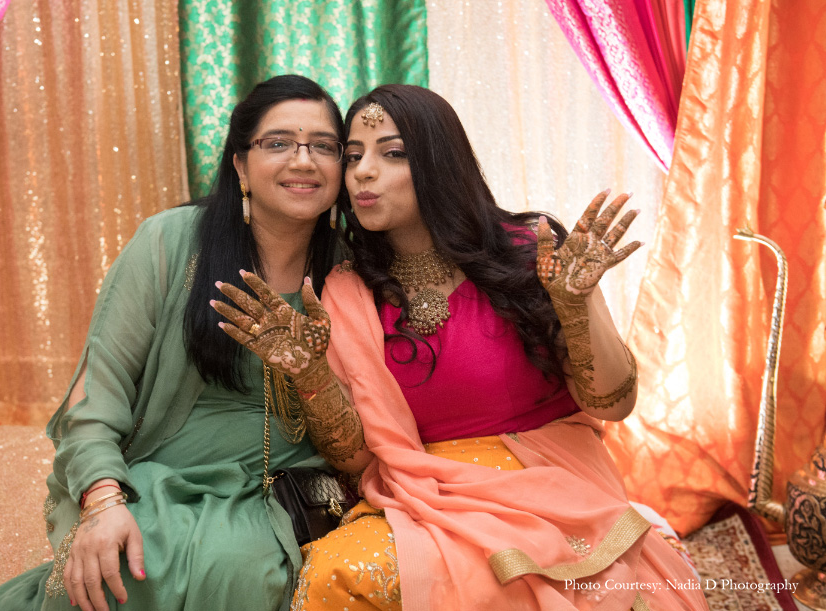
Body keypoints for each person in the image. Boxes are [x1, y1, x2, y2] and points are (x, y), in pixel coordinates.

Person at [215, 84, 709, 611]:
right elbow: (356, 459)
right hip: (423, 495)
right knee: (336, 574)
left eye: (392, 153)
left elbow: (614, 403)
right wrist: (309, 374)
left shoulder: (531, 254)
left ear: (439, 161)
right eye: (354, 156)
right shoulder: (348, 290)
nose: (362, 173)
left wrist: (576, 305)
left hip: (549, 483)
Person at [0, 74, 365, 611]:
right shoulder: (169, 242)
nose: (303, 161)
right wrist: (103, 500)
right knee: (120, 567)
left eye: (323, 146)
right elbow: (97, 394)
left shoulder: (349, 269)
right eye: (278, 143)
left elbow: (366, 429)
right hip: (159, 478)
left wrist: (308, 369)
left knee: (242, 572)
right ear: (240, 165)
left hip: (286, 492)